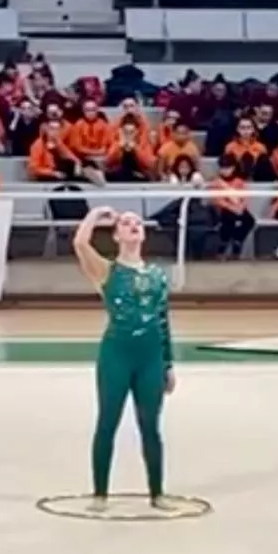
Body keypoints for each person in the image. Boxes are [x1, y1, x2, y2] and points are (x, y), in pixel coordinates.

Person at [71, 207, 178, 512]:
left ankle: (157, 492)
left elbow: (162, 320)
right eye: (125, 223)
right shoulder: (107, 271)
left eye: (137, 222)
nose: (133, 226)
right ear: (116, 235)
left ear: (143, 233)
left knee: (150, 426)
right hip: (116, 356)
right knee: (107, 422)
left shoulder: (157, 275)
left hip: (151, 358)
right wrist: (94, 215)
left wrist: (168, 364)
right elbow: (80, 244)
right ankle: (100, 493)